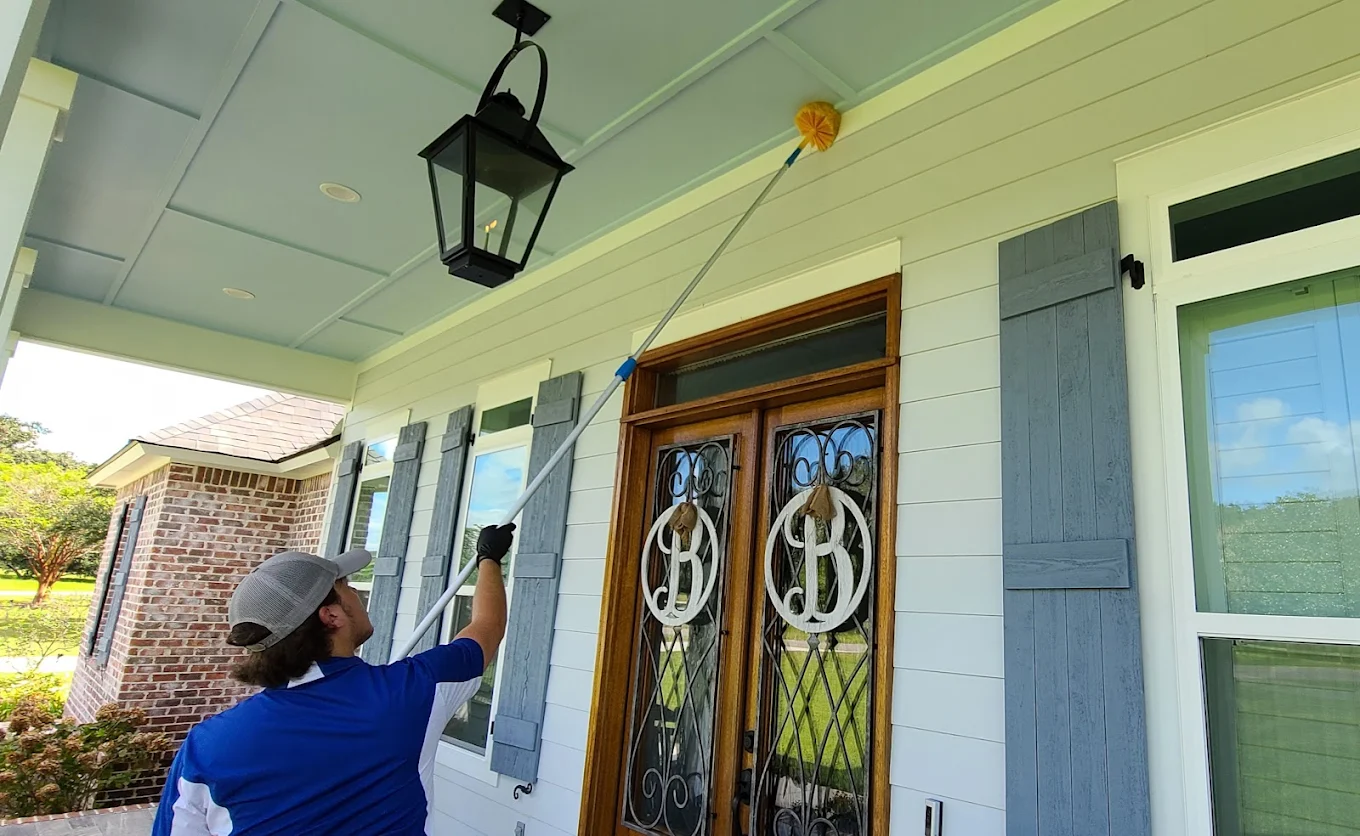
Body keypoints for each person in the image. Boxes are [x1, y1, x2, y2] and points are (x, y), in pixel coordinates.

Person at [150, 524, 516, 836]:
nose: (357, 593)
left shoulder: (205, 747)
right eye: (346, 587)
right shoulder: (406, 696)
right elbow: (486, 628)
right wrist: (489, 558)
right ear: (331, 616)